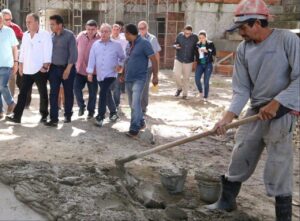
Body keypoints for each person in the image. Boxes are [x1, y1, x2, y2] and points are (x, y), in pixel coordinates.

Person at [206, 0, 300, 220]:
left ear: (257, 22)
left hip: (284, 111)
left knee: (279, 162)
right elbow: (241, 89)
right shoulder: (244, 49)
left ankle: (283, 216)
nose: (241, 33)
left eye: (243, 28)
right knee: (241, 151)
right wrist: (227, 118)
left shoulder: (287, 40)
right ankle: (226, 200)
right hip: (256, 110)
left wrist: (278, 102)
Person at [6, 13, 52, 123]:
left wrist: (45, 66)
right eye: (26, 22)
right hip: (27, 69)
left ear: (37, 22)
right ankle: (17, 116)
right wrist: (21, 65)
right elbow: (23, 51)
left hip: (40, 70)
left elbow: (48, 51)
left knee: (43, 93)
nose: (27, 24)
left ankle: (44, 115)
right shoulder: (25, 35)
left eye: (29, 22)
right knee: (22, 93)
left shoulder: (45, 34)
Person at [86, 23, 125, 127]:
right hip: (100, 75)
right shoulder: (96, 44)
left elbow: (122, 57)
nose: (104, 33)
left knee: (102, 92)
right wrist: (89, 72)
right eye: (102, 31)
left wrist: (120, 65)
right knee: (107, 93)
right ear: (99, 32)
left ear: (110, 32)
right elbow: (91, 59)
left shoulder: (116, 45)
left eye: (106, 31)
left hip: (111, 74)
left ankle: (100, 116)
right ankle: (113, 113)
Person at [123, 24, 158, 137]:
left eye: (125, 33)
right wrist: (122, 74)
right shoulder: (128, 45)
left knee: (135, 103)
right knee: (132, 104)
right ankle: (141, 122)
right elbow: (127, 61)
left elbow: (154, 60)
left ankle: (134, 129)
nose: (124, 36)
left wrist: (155, 76)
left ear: (129, 33)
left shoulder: (144, 43)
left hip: (140, 78)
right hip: (128, 78)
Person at [45, 15, 77, 127]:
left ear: (60, 25)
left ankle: (68, 115)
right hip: (53, 69)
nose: (51, 26)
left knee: (68, 93)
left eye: (52, 24)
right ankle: (54, 119)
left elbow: (73, 54)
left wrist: (68, 69)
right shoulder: (51, 36)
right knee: (53, 93)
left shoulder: (69, 36)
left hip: (67, 68)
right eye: (50, 24)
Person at [1, 8, 31, 107]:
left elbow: (23, 42)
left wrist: (17, 60)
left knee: (13, 81)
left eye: (10, 19)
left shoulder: (15, 28)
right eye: (6, 19)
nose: (9, 21)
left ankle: (12, 102)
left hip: (12, 59)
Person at [74, 20, 100, 119]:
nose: (90, 31)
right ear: (85, 27)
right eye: (88, 29)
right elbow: (75, 47)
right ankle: (81, 106)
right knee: (76, 89)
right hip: (79, 69)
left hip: (93, 71)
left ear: (96, 29)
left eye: (93, 29)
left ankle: (91, 111)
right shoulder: (80, 36)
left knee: (92, 93)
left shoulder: (100, 38)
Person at [138, 20, 161, 113]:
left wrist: (156, 72)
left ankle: (143, 107)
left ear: (147, 28)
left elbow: (156, 55)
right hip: (138, 66)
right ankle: (138, 105)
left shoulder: (152, 38)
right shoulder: (136, 38)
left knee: (144, 86)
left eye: (143, 28)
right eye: (140, 28)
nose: (141, 30)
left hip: (148, 66)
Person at [0, 12, 18, 119]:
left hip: (6, 64)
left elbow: (14, 48)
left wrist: (16, 62)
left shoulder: (9, 31)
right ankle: (1, 111)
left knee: (2, 85)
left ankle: (11, 103)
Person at [173, 25, 198, 99]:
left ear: (191, 32)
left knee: (186, 78)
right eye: (186, 33)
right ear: (183, 31)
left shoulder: (195, 37)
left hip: (189, 60)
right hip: (179, 59)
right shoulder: (180, 35)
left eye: (189, 33)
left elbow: (197, 47)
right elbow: (175, 44)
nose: (187, 35)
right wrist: (175, 46)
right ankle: (179, 88)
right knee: (176, 75)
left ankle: (185, 94)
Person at [194, 30, 216, 102]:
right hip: (200, 64)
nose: (201, 39)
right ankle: (201, 92)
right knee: (197, 79)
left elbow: (214, 52)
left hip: (208, 64)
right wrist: (197, 51)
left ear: (206, 37)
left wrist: (206, 51)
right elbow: (195, 55)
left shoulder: (210, 43)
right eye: (200, 38)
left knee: (206, 81)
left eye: (203, 37)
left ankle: (205, 97)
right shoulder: (197, 45)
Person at [110, 23, 128, 109]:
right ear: (112, 30)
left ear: (120, 30)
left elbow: (124, 53)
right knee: (109, 85)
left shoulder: (123, 40)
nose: (116, 31)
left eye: (118, 29)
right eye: (114, 29)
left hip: (119, 65)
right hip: (108, 65)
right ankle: (109, 102)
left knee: (117, 85)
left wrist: (122, 65)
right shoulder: (107, 39)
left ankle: (116, 104)